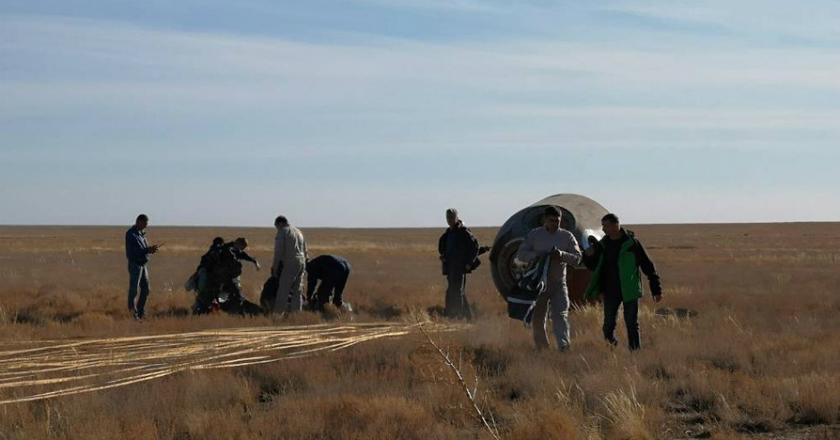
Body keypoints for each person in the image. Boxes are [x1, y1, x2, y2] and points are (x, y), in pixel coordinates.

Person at [583, 213, 662, 351]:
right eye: (602, 226)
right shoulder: (602, 245)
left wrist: (656, 289)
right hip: (610, 290)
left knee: (632, 323)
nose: (603, 229)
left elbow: (647, 266)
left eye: (606, 226)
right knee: (608, 325)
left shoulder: (632, 244)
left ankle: (635, 352)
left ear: (616, 225)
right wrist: (588, 256)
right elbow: (593, 266)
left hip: (629, 289)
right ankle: (612, 345)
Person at [515, 206, 581, 351]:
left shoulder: (567, 236)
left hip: (559, 284)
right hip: (539, 284)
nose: (555, 223)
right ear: (545, 219)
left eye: (558, 221)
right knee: (538, 317)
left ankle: (564, 346)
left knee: (561, 315)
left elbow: (577, 259)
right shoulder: (534, 235)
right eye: (552, 220)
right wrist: (537, 255)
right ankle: (542, 348)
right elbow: (521, 254)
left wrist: (562, 255)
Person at [194, 237, 261, 315]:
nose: (243, 248)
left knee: (232, 294)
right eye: (242, 246)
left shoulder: (232, 250)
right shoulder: (225, 250)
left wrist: (254, 261)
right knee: (210, 296)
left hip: (224, 278)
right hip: (217, 278)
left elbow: (243, 255)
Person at [438, 208, 480, 319]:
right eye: (448, 217)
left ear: (457, 218)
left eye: (452, 217)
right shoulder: (448, 233)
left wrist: (469, 263)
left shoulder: (464, 232)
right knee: (453, 291)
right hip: (450, 267)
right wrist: (443, 257)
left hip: (460, 267)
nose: (449, 220)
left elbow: (475, 247)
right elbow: (443, 248)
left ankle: (458, 316)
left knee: (457, 291)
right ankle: (466, 316)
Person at [124, 214, 160, 320]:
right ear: (138, 221)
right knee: (134, 290)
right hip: (135, 265)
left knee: (146, 289)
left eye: (146, 224)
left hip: (143, 265)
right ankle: (133, 314)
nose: (146, 226)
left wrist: (151, 250)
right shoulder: (131, 234)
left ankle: (141, 312)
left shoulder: (142, 234)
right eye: (144, 223)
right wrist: (147, 250)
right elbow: (133, 252)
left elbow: (144, 249)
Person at [272, 216, 307, 313]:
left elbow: (278, 252)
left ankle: (277, 315)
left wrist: (275, 268)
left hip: (290, 262)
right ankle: (296, 314)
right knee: (298, 291)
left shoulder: (283, 231)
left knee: (283, 290)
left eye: (276, 226)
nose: (277, 229)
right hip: (302, 262)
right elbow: (305, 251)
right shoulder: (299, 232)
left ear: (280, 223)